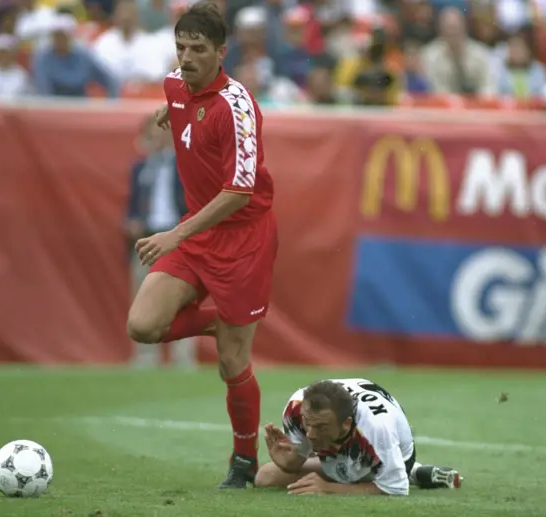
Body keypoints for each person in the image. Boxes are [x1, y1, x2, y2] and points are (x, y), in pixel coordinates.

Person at [126, 2, 277, 489]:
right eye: (181, 47)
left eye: (198, 49)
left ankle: (243, 462)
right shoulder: (175, 84)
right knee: (142, 326)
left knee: (234, 363)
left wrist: (175, 233)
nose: (186, 57)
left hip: (242, 237)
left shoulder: (238, 106)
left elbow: (239, 192)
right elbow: (179, 96)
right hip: (198, 231)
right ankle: (224, 322)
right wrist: (168, 110)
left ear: (221, 51)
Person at [256, 379, 462, 495]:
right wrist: (289, 462)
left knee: (353, 473)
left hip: (385, 451)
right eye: (307, 424)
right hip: (342, 449)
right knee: (265, 477)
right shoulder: (297, 410)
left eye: (321, 427)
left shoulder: (376, 430)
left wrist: (329, 488)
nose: (310, 434)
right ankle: (403, 470)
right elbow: (297, 458)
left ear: (346, 423)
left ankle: (406, 469)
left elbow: (396, 490)